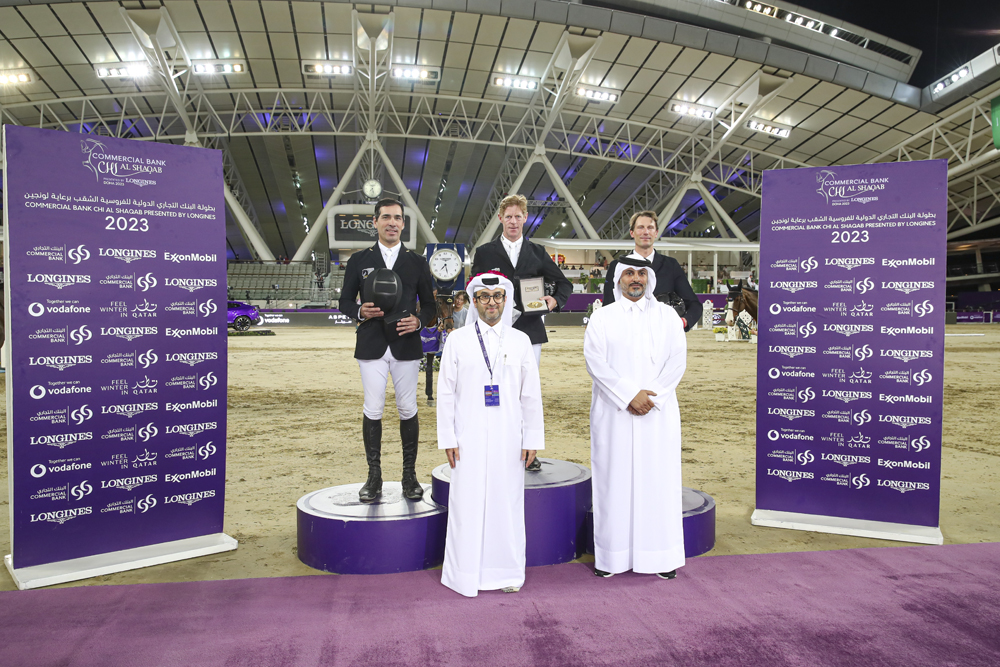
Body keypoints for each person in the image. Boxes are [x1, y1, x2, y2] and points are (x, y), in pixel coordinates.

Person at [437, 272, 544, 597]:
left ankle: (506, 572)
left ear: (506, 299)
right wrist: (448, 437)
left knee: (506, 502)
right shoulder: (457, 340)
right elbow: (445, 393)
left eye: (498, 296)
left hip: (509, 438)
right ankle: (464, 573)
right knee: (466, 502)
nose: (492, 302)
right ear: (474, 301)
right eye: (484, 296)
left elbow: (531, 395)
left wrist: (532, 439)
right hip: (466, 437)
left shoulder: (520, 341)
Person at [585, 256, 687, 580]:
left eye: (641, 273)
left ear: (649, 278)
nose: (635, 279)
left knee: (658, 482)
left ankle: (660, 556)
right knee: (612, 482)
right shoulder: (602, 318)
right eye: (629, 273)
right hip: (615, 414)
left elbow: (677, 361)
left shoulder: (668, 316)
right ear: (618, 279)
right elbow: (595, 362)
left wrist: (650, 395)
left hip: (656, 414)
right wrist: (629, 395)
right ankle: (611, 558)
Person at [339, 198, 436, 503]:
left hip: (406, 344)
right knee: (373, 408)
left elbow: (431, 306)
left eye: (397, 218)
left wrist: (419, 321)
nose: (392, 222)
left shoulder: (418, 262)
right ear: (375, 222)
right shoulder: (358, 260)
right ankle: (374, 476)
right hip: (371, 344)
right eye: (386, 217)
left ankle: (409, 475)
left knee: (408, 409)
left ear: (404, 224)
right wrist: (359, 312)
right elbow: (344, 301)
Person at [471, 193, 572, 369]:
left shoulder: (538, 252)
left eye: (518, 216)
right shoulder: (484, 253)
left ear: (525, 218)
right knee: (496, 381)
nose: (513, 222)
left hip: (530, 329)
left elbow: (564, 283)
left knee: (529, 386)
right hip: (494, 329)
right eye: (509, 217)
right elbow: (472, 288)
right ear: (500, 218)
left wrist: (555, 300)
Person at [601, 210, 703, 331]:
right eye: (640, 227)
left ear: (656, 233)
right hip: (626, 336)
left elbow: (694, 305)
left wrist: (683, 322)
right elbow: (608, 306)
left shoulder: (671, 265)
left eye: (650, 228)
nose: (646, 232)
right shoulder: (616, 266)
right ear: (632, 233)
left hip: (661, 338)